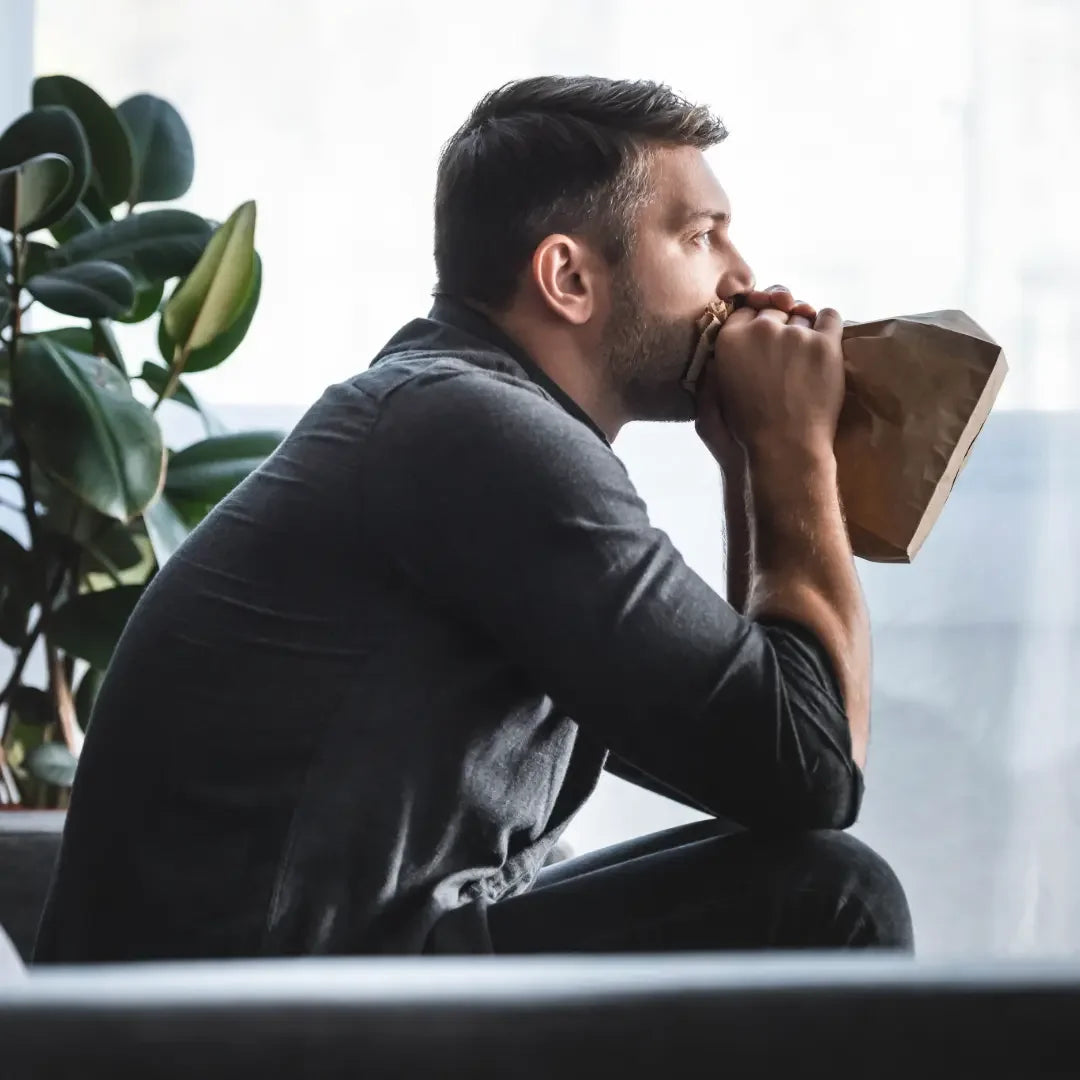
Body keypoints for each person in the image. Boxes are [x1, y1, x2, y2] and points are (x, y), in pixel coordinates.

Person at [32, 76, 912, 964]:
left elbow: (751, 762)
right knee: (834, 899)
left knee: (800, 875)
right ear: (568, 275)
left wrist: (749, 459)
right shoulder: (478, 431)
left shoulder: (450, 415)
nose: (743, 276)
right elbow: (812, 770)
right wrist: (792, 445)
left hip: (318, 976)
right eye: (700, 236)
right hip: (247, 1023)